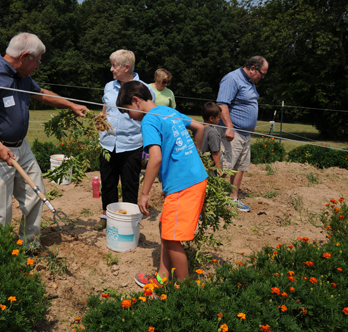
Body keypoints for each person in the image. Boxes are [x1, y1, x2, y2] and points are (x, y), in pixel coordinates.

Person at [0, 33, 89, 249]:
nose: (38, 66)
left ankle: (29, 244)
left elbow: (40, 93)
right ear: (24, 56)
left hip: (21, 149)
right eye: (38, 60)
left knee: (36, 195)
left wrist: (71, 105)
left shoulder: (22, 76)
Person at [115, 81, 208, 286]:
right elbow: (199, 128)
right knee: (165, 226)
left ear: (135, 101)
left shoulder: (149, 120)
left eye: (127, 111)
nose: (129, 116)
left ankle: (185, 292)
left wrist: (144, 193)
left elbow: (155, 158)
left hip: (183, 185)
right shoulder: (167, 110)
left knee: (173, 239)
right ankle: (162, 277)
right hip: (193, 178)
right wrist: (195, 155)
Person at [94, 50, 156, 230]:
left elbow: (149, 116)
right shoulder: (108, 86)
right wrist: (100, 122)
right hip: (107, 143)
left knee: (130, 183)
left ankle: (129, 218)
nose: (111, 69)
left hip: (132, 145)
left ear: (126, 67)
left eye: (114, 65)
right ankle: (106, 214)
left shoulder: (144, 88)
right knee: (108, 182)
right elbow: (106, 108)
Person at [216, 56, 268, 212]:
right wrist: (229, 127)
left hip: (245, 133)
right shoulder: (232, 78)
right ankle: (207, 197)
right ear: (253, 68)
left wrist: (251, 125)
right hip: (233, 132)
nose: (263, 77)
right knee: (225, 167)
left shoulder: (250, 83)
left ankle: (233, 199)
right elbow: (222, 104)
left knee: (240, 166)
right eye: (262, 73)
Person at [201, 102, 223, 176]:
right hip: (210, 168)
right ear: (211, 118)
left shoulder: (198, 129)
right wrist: (219, 168)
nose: (219, 119)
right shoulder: (213, 133)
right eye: (219, 117)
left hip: (200, 165)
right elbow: (215, 153)